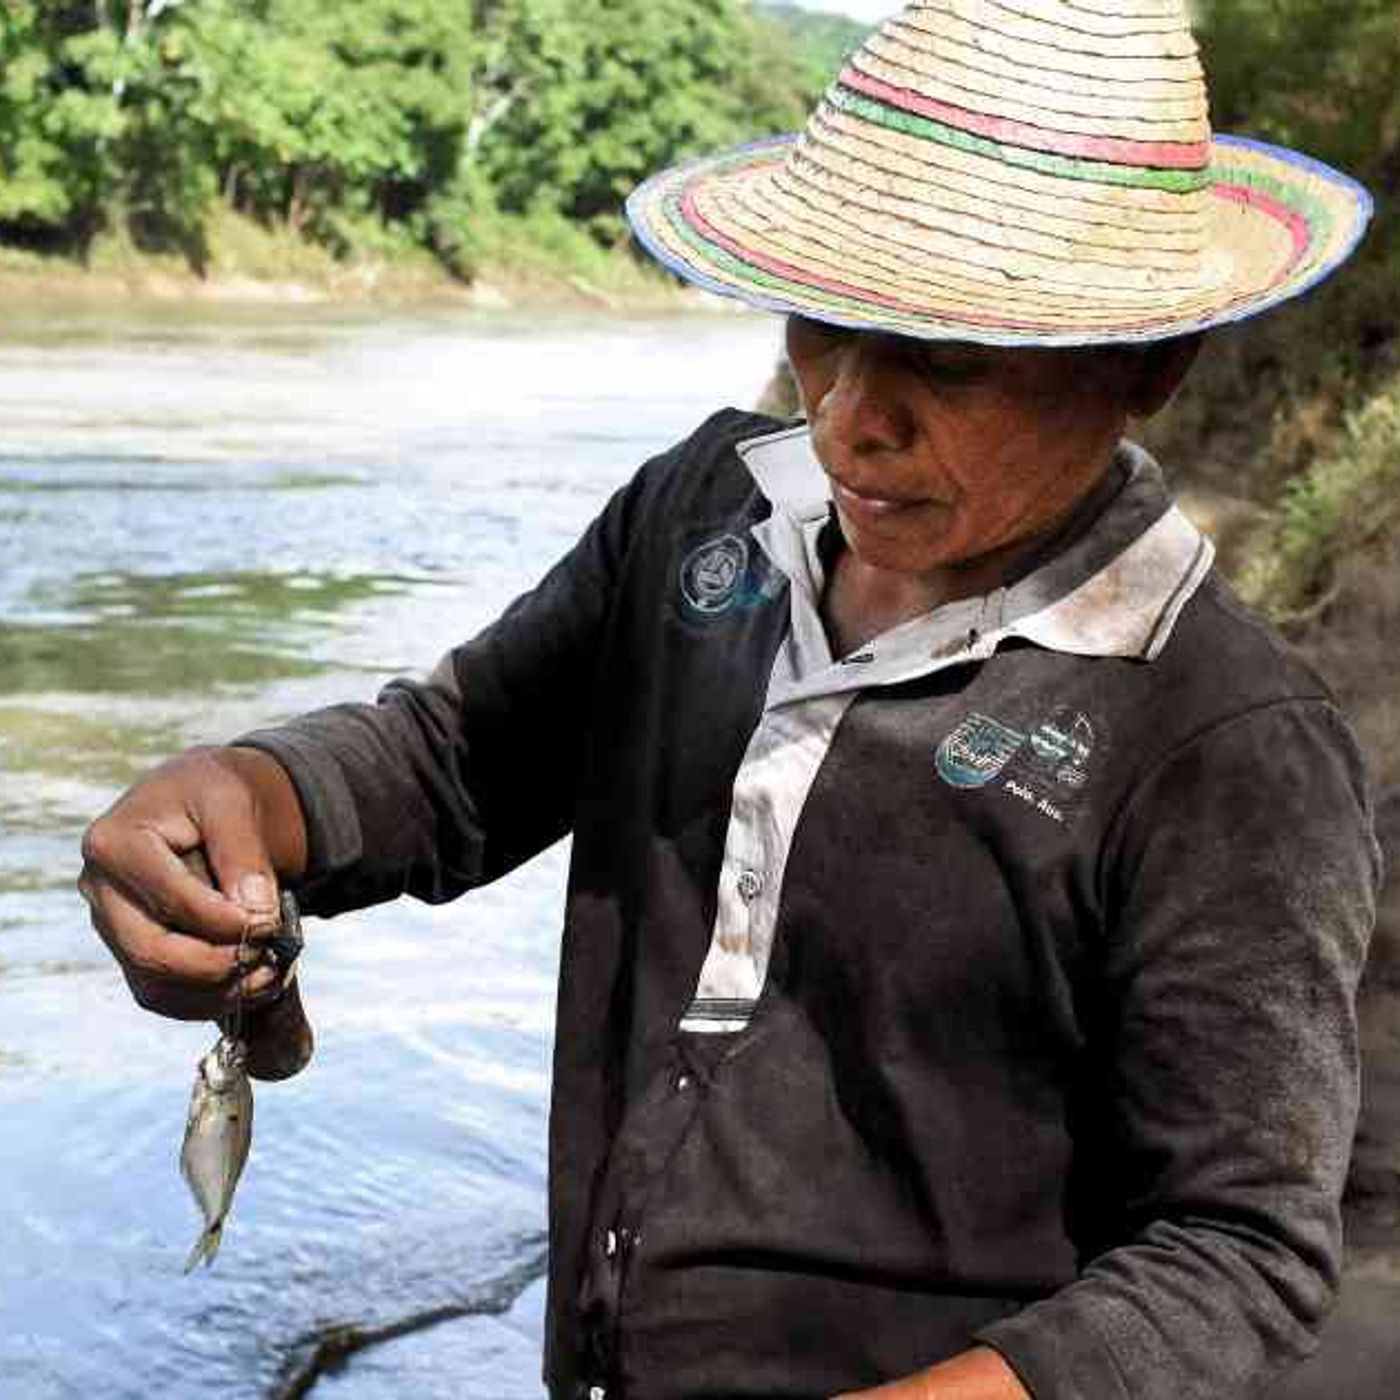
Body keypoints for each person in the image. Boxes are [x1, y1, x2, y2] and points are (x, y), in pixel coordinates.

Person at [80, 3, 1381, 1398]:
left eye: (946, 361)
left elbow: (1238, 1250)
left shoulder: (1221, 749)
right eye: (824, 328)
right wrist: (248, 798)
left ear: (1147, 368)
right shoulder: (704, 520)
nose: (847, 417)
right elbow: (452, 761)